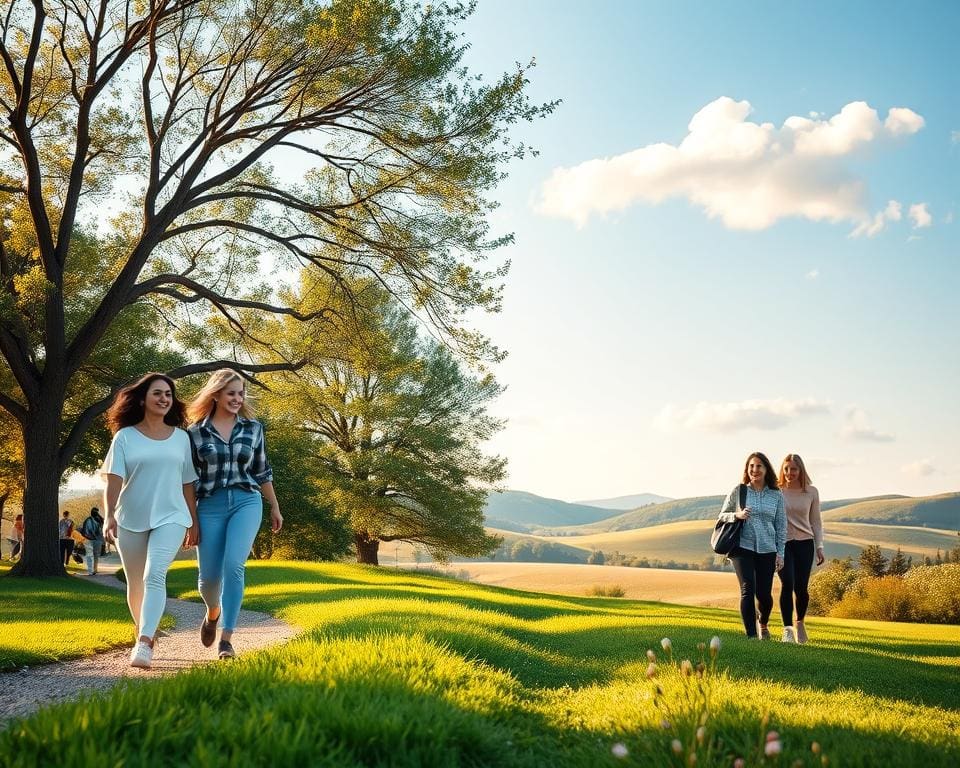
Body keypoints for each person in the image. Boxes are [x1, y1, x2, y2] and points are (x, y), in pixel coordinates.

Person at [100, 373, 199, 669]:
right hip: (130, 517)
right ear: (143, 399)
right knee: (135, 583)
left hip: (172, 515)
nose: (164, 398)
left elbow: (187, 483)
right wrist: (108, 516)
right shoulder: (125, 437)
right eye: (158, 393)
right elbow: (114, 479)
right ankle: (144, 629)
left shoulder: (181, 438)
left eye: (168, 394)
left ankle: (144, 643)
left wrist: (193, 521)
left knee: (153, 575)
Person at [186, 369, 282, 660]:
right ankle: (212, 612)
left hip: (247, 501)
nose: (237, 399)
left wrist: (274, 505)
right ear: (215, 394)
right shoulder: (195, 432)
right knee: (208, 580)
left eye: (241, 393)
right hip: (210, 505)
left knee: (234, 566)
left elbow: (262, 471)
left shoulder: (253, 428)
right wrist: (191, 521)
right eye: (231, 393)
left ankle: (226, 639)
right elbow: (188, 480)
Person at [717, 452, 786, 639]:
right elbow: (722, 515)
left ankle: (763, 623)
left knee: (764, 595)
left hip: (767, 549)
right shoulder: (739, 491)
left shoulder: (776, 495)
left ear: (766, 469)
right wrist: (736, 515)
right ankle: (751, 636)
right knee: (747, 590)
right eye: (751, 466)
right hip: (741, 547)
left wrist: (781, 554)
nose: (754, 470)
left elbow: (781, 526)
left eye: (759, 466)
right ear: (747, 469)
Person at [777, 454, 824, 644]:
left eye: (794, 469)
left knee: (801, 588)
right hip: (783, 543)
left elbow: (816, 522)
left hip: (805, 543)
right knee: (787, 583)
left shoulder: (811, 492)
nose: (790, 473)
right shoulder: (776, 490)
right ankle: (787, 629)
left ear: (801, 470)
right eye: (786, 469)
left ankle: (800, 622)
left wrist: (819, 546)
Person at [80, 507, 106, 575]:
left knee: (93, 555)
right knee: (93, 555)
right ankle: (92, 570)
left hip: (93, 539)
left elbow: (84, 530)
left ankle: (93, 570)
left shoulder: (94, 520)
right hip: (93, 539)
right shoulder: (94, 520)